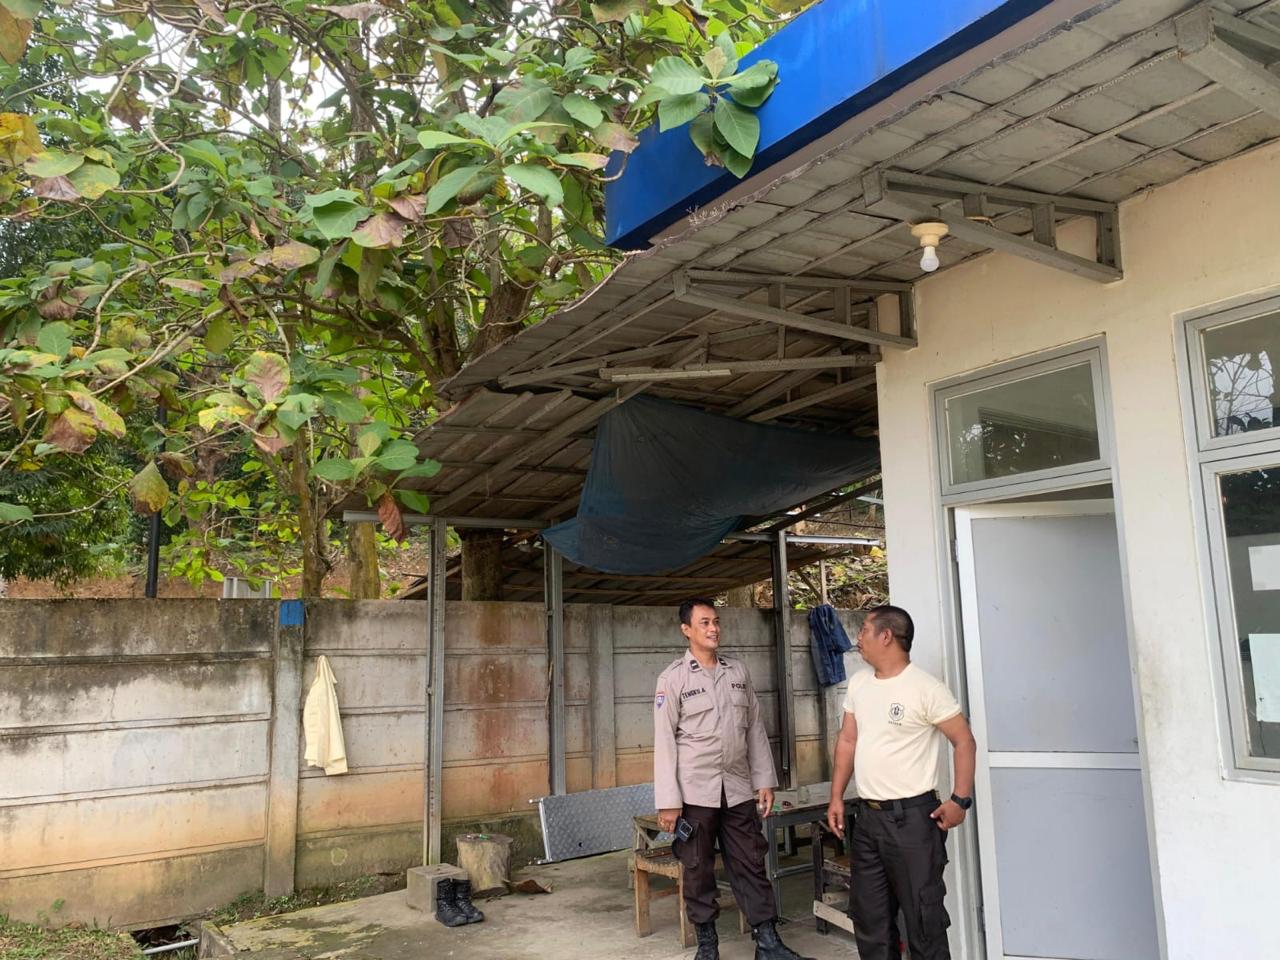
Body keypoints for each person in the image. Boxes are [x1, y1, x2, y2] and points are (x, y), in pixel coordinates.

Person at [654, 598, 813, 960]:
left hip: (738, 788)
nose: (713, 629)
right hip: (695, 792)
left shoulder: (737, 672)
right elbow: (664, 742)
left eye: (716, 621)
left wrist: (764, 781)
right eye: (704, 623)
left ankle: (767, 942)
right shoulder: (673, 679)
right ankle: (708, 946)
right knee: (697, 868)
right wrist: (668, 802)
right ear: (686, 630)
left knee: (751, 862)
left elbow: (754, 729)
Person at [826, 605, 977, 960]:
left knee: (924, 922)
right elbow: (848, 740)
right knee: (871, 920)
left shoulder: (925, 688)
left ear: (886, 636)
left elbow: (964, 741)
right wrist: (836, 796)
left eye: (864, 630)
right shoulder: (860, 684)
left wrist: (960, 800)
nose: (858, 638)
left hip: (913, 822)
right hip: (869, 820)